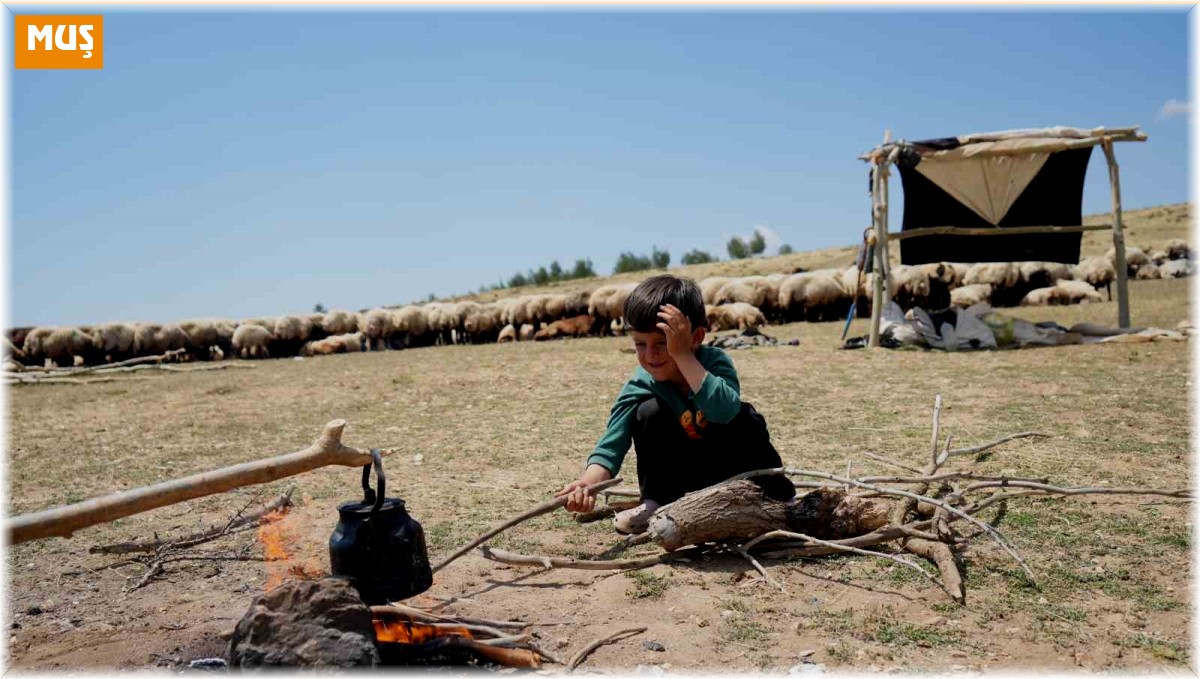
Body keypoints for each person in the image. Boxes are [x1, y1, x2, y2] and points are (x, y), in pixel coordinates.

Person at [556, 274, 795, 534]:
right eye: (640, 344)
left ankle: (778, 497)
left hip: (732, 475)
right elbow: (612, 443)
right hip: (682, 480)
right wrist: (588, 483)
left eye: (663, 342)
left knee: (744, 415)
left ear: (696, 336)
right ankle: (657, 502)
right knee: (648, 412)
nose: (650, 355)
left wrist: (682, 355)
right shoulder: (641, 382)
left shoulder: (715, 362)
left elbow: (723, 410)